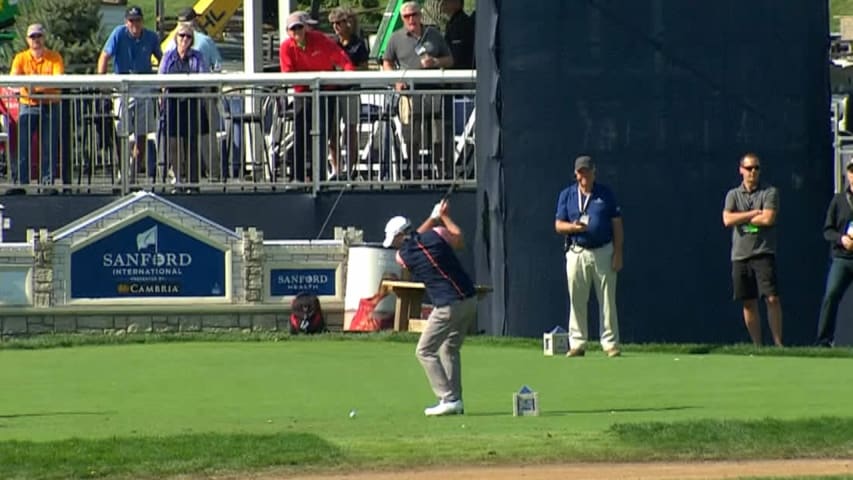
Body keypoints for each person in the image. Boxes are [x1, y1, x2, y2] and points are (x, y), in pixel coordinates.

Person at [382, 200, 477, 416]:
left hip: (447, 306)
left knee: (424, 350)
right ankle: (456, 400)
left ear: (400, 236)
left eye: (394, 240)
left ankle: (448, 397)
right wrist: (442, 217)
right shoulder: (439, 234)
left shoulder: (403, 256)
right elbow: (459, 238)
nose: (394, 245)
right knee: (449, 348)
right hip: (469, 300)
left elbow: (414, 238)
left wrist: (433, 217)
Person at [554, 155, 623, 357]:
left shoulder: (605, 194)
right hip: (577, 251)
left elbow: (617, 224)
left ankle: (609, 343)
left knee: (607, 300)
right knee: (577, 299)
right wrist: (573, 227)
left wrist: (618, 252)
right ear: (576, 174)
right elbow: (558, 225)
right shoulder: (567, 195)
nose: (584, 175)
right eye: (580, 172)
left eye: (587, 171)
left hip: (603, 250)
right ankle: (577, 343)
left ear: (594, 172)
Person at [382, 1, 455, 180]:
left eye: (414, 14)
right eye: (407, 16)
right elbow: (387, 62)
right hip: (410, 94)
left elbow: (450, 59)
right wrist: (396, 81)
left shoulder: (434, 34)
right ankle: (413, 175)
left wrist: (436, 62)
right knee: (412, 138)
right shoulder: (395, 37)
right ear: (402, 18)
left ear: (420, 15)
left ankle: (442, 175)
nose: (411, 19)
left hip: (435, 92)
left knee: (438, 138)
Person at [279, 11, 354, 182]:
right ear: (288, 32)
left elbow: (341, 57)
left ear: (305, 28)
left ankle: (318, 176)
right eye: (293, 28)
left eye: (299, 27)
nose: (297, 31)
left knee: (322, 136)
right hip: (303, 94)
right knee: (300, 136)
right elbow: (287, 72)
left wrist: (349, 72)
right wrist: (304, 82)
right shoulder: (286, 47)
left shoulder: (319, 38)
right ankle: (297, 178)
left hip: (326, 92)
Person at [722, 153, 782, 347]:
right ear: (741, 170)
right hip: (740, 255)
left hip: (763, 253)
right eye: (749, 168)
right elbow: (728, 220)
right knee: (748, 301)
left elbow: (768, 219)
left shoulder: (769, 192)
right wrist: (753, 213)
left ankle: (778, 343)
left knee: (771, 298)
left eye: (756, 168)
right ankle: (758, 345)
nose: (753, 172)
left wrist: (743, 217)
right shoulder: (733, 195)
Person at [97, 6, 162, 182]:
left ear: (142, 21)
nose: (135, 24)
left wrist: (162, 84)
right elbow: (104, 56)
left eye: (138, 20)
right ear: (126, 22)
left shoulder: (151, 37)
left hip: (144, 85)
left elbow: (162, 60)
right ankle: (122, 170)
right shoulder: (119, 33)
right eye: (131, 21)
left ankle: (133, 172)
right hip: (122, 84)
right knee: (121, 130)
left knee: (142, 131)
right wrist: (102, 84)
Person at [165, 7, 224, 181]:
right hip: (202, 95)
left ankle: (177, 174)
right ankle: (214, 174)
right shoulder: (205, 40)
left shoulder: (170, 43)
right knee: (206, 136)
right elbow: (218, 66)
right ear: (195, 21)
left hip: (175, 98)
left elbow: (163, 72)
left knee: (178, 138)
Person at [9, 23, 64, 186]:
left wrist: (32, 86)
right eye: (32, 37)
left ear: (44, 38)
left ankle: (48, 183)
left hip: (50, 105)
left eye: (38, 36)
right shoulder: (20, 58)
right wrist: (39, 87)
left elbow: (58, 81)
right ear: (27, 40)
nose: (36, 40)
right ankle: (20, 183)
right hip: (28, 105)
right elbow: (13, 81)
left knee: (49, 145)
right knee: (23, 146)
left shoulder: (55, 57)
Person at [159, 22, 209, 191]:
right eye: (182, 35)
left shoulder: (197, 57)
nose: (185, 39)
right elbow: (161, 78)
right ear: (176, 37)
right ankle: (178, 179)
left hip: (191, 103)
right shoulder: (168, 56)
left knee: (191, 144)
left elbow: (203, 77)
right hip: (173, 104)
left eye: (188, 36)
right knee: (173, 143)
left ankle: (193, 183)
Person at [815, 158, 853, 347]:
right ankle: (824, 340)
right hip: (842, 258)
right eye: (852, 171)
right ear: (848, 175)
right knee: (831, 295)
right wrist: (841, 239)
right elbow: (827, 231)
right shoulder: (839, 201)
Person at [329, 6, 370, 181]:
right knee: (333, 132)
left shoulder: (358, 43)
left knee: (351, 129)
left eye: (339, 23)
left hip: (351, 90)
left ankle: (351, 169)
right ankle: (337, 169)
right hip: (332, 91)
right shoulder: (331, 44)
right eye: (333, 23)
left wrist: (349, 70)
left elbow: (365, 67)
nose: (336, 26)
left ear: (347, 23)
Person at [441, 0, 474, 70]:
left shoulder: (460, 24)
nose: (442, 3)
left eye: (446, 1)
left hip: (461, 75)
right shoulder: (452, 23)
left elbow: (457, 58)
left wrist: (437, 62)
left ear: (457, 3)